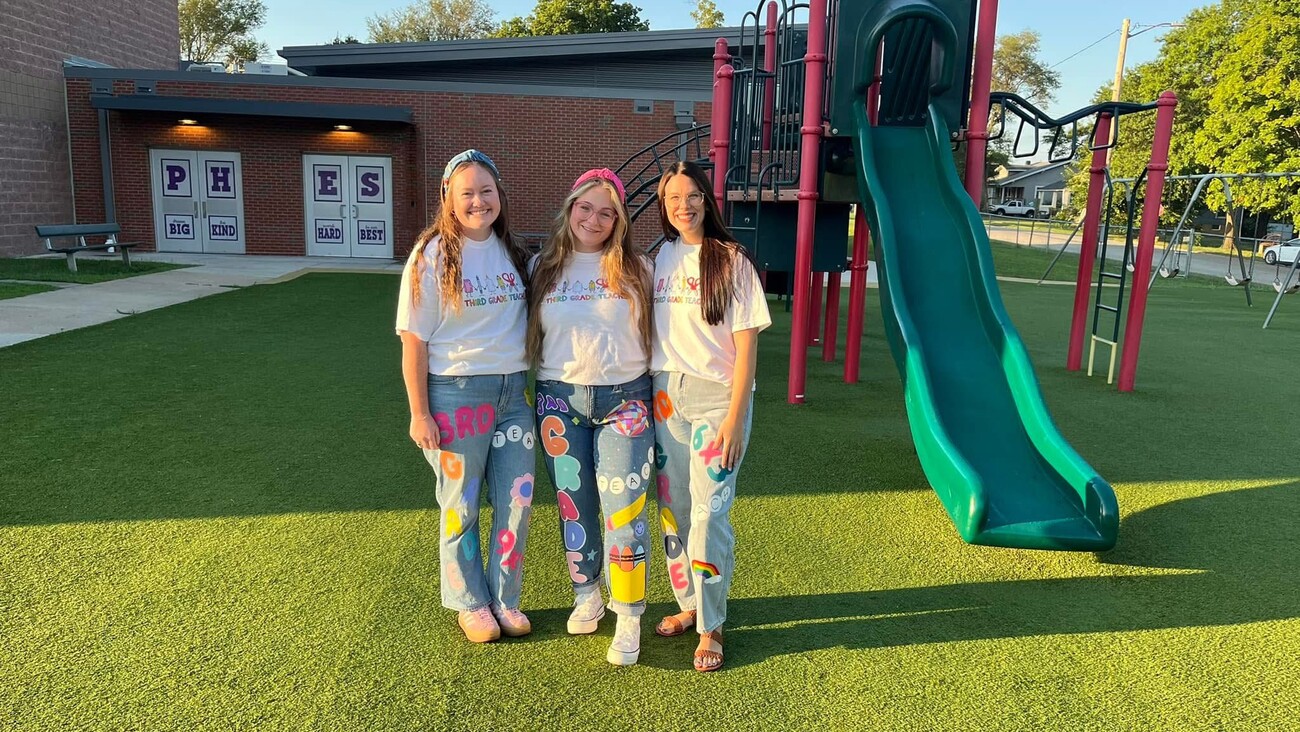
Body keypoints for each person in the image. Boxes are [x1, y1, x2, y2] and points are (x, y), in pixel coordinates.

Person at [395, 149, 536, 644]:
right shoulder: (432, 254)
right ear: (449, 199)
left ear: (500, 195)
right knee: (462, 503)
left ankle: (505, 597)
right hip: (456, 395)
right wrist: (419, 413)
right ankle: (470, 601)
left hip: (513, 394)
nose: (478, 201)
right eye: (467, 193)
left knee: (517, 499)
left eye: (486, 191)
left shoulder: (513, 251)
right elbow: (414, 341)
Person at [527, 169, 655, 666]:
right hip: (559, 401)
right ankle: (588, 594)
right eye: (586, 207)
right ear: (570, 208)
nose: (594, 219)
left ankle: (628, 612)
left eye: (607, 212)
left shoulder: (639, 269)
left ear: (619, 220)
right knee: (574, 506)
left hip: (626, 402)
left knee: (623, 510)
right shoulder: (543, 267)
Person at [649, 161, 771, 672]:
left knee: (709, 514)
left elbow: (747, 347)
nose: (684, 206)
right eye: (674, 198)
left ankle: (711, 624)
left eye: (693, 195)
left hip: (717, 400)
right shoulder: (660, 257)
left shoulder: (732, 260)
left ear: (707, 199)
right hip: (665, 397)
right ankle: (689, 604)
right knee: (675, 511)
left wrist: (735, 417)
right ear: (664, 205)